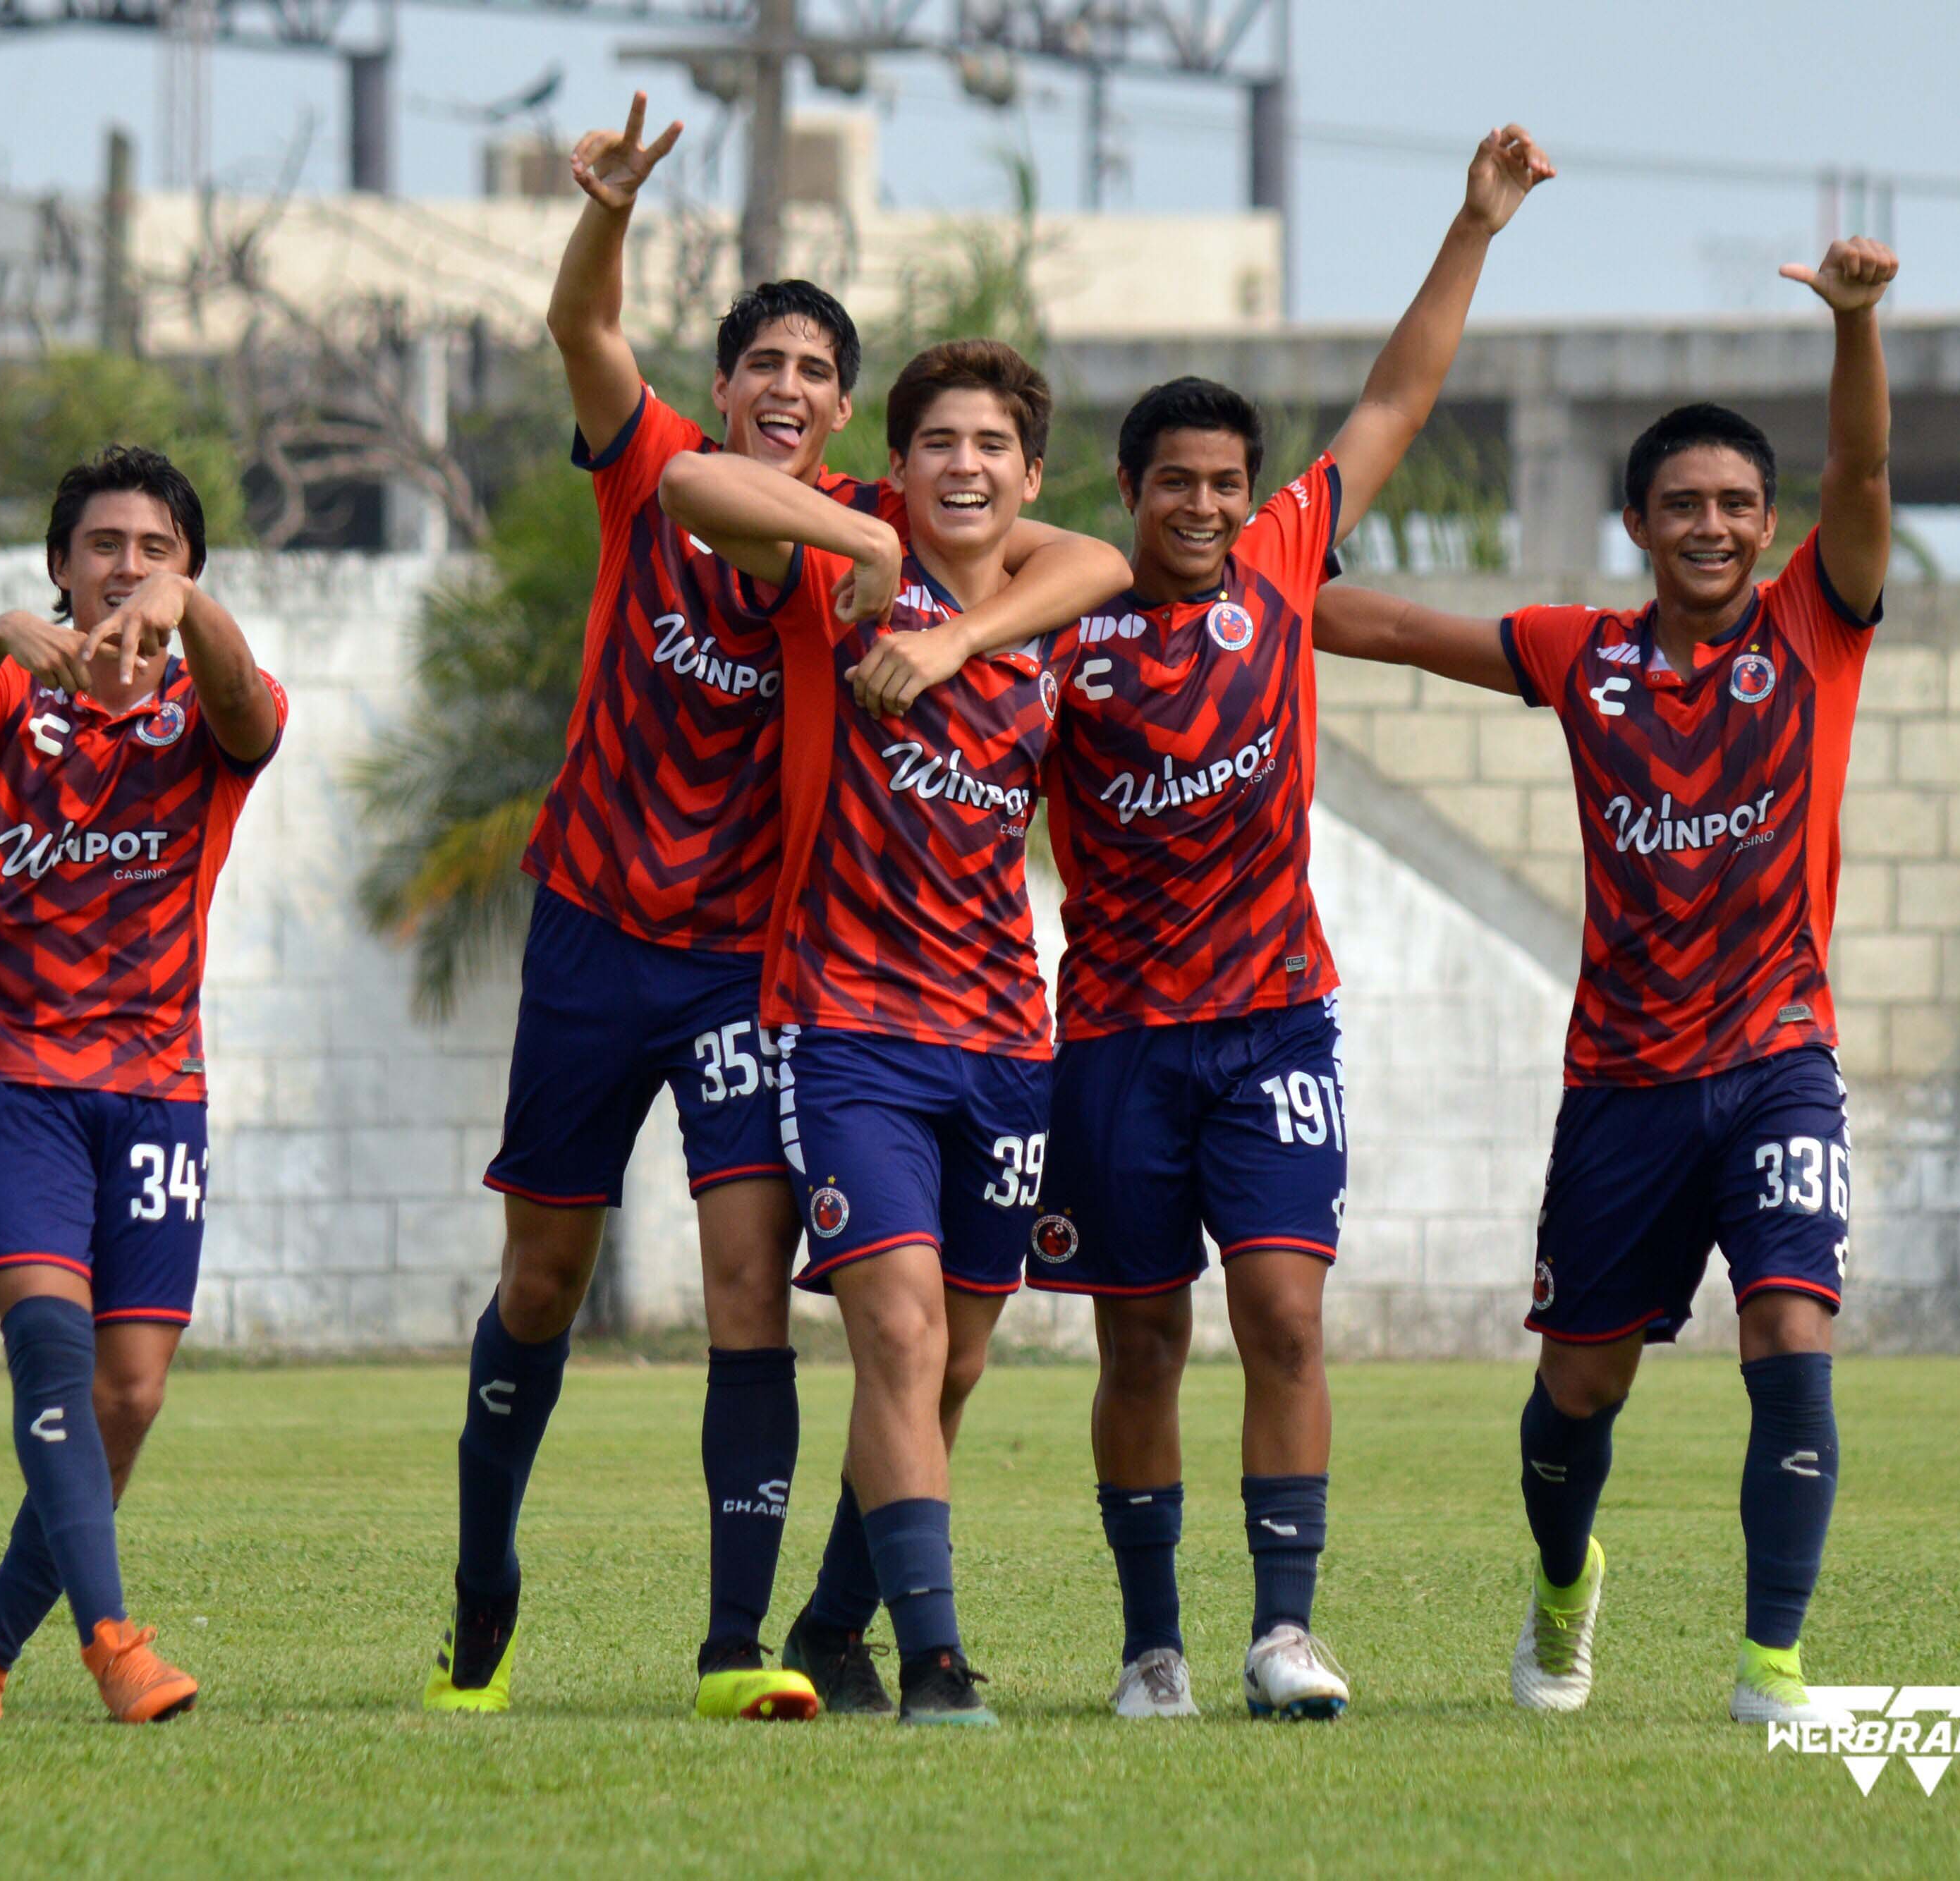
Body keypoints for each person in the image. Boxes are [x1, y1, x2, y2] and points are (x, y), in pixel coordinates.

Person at [432, 94, 1131, 1724]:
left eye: (820, 374)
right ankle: (483, 1581)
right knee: (542, 1280)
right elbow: (607, 365)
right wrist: (602, 207)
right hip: (594, 930)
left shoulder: (896, 531)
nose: (791, 391)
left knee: (752, 1288)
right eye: (770, 367)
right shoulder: (678, 483)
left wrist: (937, 617)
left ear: (838, 410)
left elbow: (1079, 557)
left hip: (757, 965)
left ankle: (739, 1646)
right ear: (734, 384)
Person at [848, 127, 1554, 1722]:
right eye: (1180, 484)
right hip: (1108, 1038)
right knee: (1142, 1345)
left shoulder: (1286, 565)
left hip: (1276, 1022)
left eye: (1230, 485)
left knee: (1288, 1309)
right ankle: (1152, 1644)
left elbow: (1394, 404)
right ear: (1128, 493)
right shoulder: (1058, 622)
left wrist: (1473, 226)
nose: (1209, 508)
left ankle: (1283, 1632)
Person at [1309, 237, 1899, 1724]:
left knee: (1790, 1330)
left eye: (1736, 505)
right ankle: (1562, 1592)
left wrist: (1853, 327)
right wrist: (1223, 580)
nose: (1711, 525)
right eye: (1683, 504)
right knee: (1582, 1387)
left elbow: (1867, 472)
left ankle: (1771, 1661)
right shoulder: (1581, 655)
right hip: (1622, 1087)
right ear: (1637, 521)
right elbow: (1379, 624)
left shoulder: (1813, 629)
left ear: (1771, 524)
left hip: (1779, 1058)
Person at [660, 339, 1135, 1724]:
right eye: (937, 444)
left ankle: (829, 1623)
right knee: (902, 1339)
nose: (965, 467)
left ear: (1027, 473)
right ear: (900, 459)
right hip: (847, 1025)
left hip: (1002, 1035)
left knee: (962, 1361)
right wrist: (870, 540)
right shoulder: (840, 575)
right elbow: (693, 480)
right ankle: (935, 1664)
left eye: (991, 447)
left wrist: (951, 640)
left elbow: (1102, 560)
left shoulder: (1036, 613)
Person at [0, 445, 286, 1724]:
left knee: (128, 1393)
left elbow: (254, 713)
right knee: (51, 1347)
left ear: (186, 571)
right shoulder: (12, 693)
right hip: (8, 1073)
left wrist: (202, 618)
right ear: (62, 567)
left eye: (156, 547)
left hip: (155, 1086)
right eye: (103, 546)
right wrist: (4, 635)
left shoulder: (206, 709)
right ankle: (116, 1641)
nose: (127, 565)